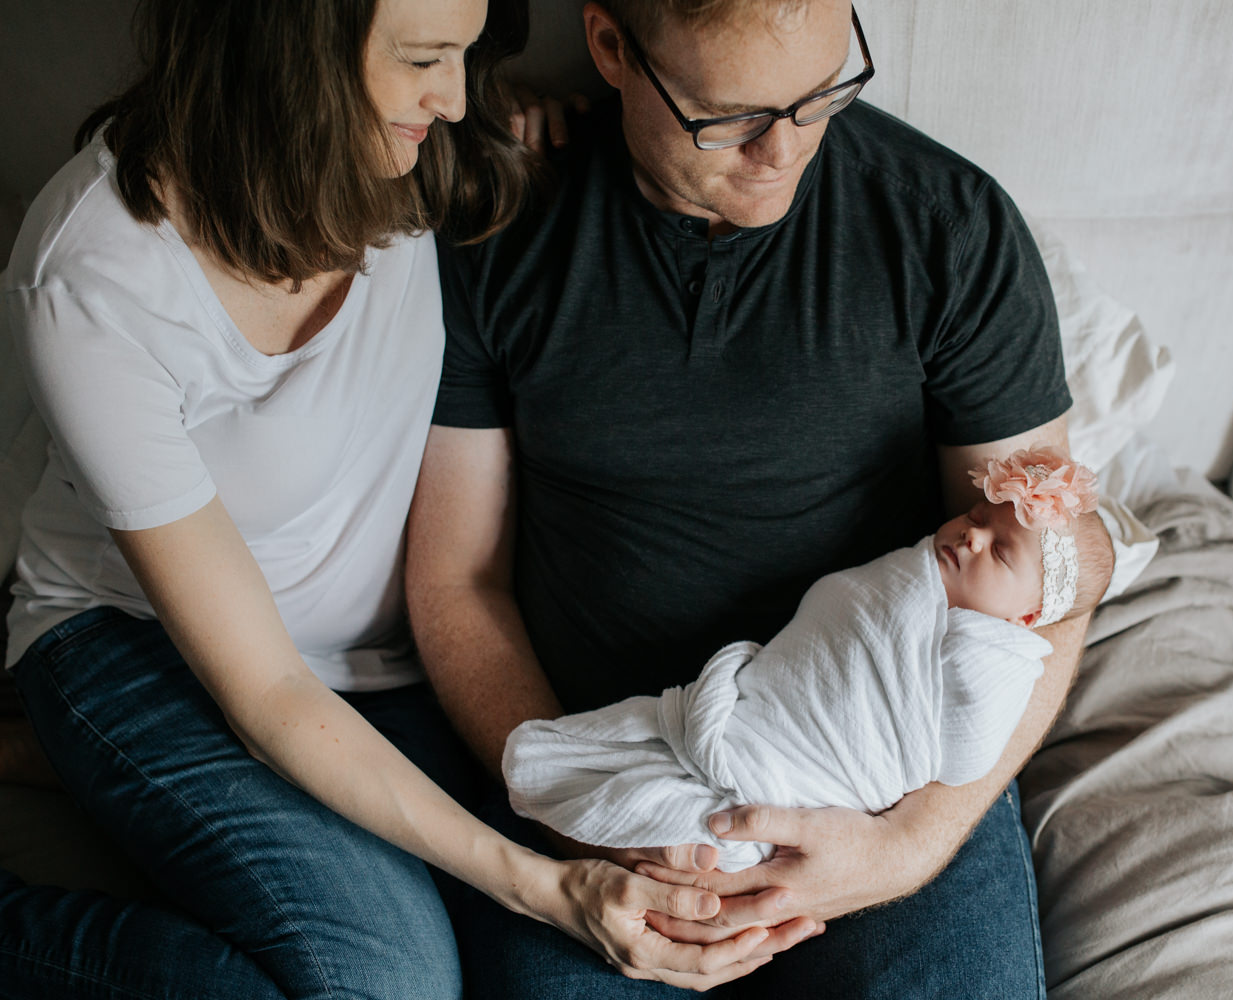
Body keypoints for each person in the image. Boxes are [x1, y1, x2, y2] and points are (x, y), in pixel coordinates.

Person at [0, 0, 785, 996]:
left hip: (380, 668)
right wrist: (548, 888)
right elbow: (267, 693)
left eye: (466, 56)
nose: (454, 96)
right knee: (387, 981)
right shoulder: (94, 277)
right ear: (289, 51)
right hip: (142, 646)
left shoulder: (420, 154)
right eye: (424, 58)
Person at [408, 0, 1091, 994]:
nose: (785, 151)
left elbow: (1051, 579)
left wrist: (911, 844)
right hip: (609, 772)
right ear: (610, 48)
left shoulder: (948, 226)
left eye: (819, 96)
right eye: (729, 116)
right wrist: (588, 817)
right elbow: (457, 579)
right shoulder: (502, 226)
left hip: (882, 780)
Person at [503, 450, 1114, 873]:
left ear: (1026, 618)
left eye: (1000, 552)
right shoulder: (914, 570)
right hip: (751, 704)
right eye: (977, 517)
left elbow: (964, 757)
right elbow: (841, 614)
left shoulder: (999, 656)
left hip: (806, 770)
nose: (970, 537)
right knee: (621, 741)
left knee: (703, 827)